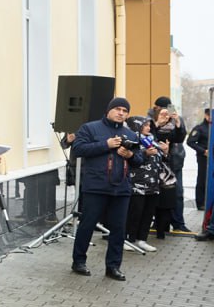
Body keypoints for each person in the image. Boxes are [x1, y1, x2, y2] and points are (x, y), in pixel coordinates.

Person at [69, 96, 141, 281]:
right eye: (118, 109)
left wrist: (130, 155)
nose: (121, 113)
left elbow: (139, 160)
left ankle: (113, 267)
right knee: (87, 225)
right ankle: (78, 261)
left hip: (121, 188)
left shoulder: (131, 135)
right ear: (108, 110)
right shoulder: (90, 128)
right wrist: (106, 145)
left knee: (118, 229)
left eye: (125, 111)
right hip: (96, 187)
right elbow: (78, 149)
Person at [123, 116, 162, 252]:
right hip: (137, 185)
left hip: (152, 184)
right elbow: (131, 159)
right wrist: (145, 153)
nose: (148, 128)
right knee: (135, 213)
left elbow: (159, 159)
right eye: (145, 125)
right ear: (136, 126)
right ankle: (128, 239)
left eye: (149, 125)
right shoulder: (131, 141)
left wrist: (165, 151)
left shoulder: (151, 140)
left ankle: (142, 239)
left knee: (148, 213)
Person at [150, 98, 188, 231]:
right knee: (158, 193)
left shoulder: (175, 117)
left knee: (177, 193)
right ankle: (160, 224)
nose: (166, 113)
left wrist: (177, 122)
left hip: (174, 162)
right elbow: (149, 135)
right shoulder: (151, 118)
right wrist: (158, 123)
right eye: (162, 109)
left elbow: (180, 138)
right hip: (157, 161)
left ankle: (178, 223)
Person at [186, 107, 210, 211]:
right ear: (206, 115)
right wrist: (203, 151)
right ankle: (200, 203)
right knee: (202, 179)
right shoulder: (200, 128)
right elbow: (190, 142)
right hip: (203, 157)